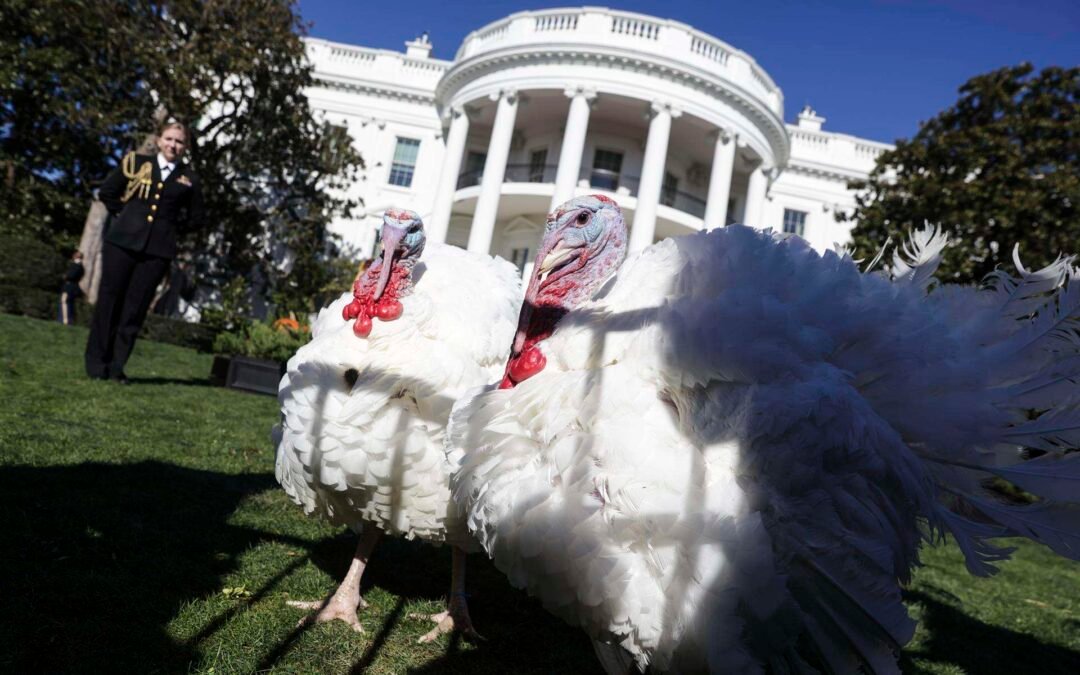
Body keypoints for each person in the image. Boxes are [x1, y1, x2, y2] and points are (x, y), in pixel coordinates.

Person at [85, 120, 206, 383]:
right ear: (160, 140)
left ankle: (116, 367)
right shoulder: (137, 163)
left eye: (179, 141)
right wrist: (126, 216)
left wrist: (171, 230)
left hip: (157, 251)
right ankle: (96, 365)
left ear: (185, 146)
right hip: (122, 243)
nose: (173, 145)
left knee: (134, 309)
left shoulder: (190, 179)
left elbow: (197, 218)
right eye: (169, 139)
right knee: (109, 302)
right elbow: (107, 192)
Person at [58, 250, 85, 325]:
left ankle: (65, 321)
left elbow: (71, 275)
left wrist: (66, 276)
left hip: (69, 287)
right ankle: (67, 320)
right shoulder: (78, 266)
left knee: (65, 302)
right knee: (68, 303)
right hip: (71, 287)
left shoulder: (77, 265)